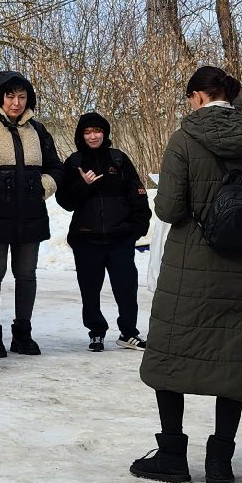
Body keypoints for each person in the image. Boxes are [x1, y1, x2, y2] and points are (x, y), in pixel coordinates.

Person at [133, 66, 242, 483]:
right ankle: (220, 463)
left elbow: (168, 210)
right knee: (230, 363)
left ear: (199, 96)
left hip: (188, 269)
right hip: (240, 269)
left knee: (170, 359)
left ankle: (172, 457)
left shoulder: (184, 139)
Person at [0, 71, 62, 358]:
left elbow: (57, 167)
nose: (16, 103)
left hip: (30, 215)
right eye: (10, 96)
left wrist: (45, 186)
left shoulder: (39, 131)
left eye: (21, 96)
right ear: (0, 98)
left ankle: (23, 335)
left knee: (26, 275)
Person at [57, 111, 151, 351]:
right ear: (81, 135)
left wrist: (137, 228)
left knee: (126, 288)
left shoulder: (119, 159)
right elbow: (65, 201)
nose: (93, 136)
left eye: (97, 131)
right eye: (88, 132)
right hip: (86, 239)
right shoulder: (74, 162)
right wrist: (83, 185)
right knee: (90, 290)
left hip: (120, 238)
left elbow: (138, 195)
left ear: (105, 133)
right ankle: (96, 332)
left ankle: (128, 333)